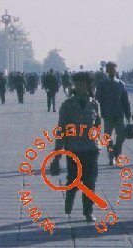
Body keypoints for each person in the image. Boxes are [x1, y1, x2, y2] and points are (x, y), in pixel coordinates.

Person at [53, 72, 101, 221]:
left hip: (91, 149)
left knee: (90, 180)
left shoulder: (94, 104)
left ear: (88, 86)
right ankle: (69, 201)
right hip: (73, 148)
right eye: (78, 84)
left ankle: (88, 210)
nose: (80, 87)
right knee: (73, 179)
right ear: (74, 86)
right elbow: (61, 128)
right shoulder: (67, 105)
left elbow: (98, 125)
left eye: (83, 84)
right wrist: (58, 152)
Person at [94, 62, 131, 165]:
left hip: (119, 114)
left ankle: (117, 152)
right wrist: (97, 114)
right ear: (107, 71)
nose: (112, 72)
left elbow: (125, 101)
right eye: (110, 70)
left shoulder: (121, 84)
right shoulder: (101, 84)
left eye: (114, 70)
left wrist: (128, 116)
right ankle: (111, 156)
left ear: (116, 71)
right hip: (107, 115)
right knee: (108, 137)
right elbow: (97, 100)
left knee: (122, 135)